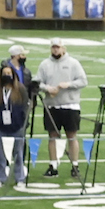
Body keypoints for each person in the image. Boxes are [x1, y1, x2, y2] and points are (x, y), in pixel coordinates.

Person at [36, 40, 87, 178]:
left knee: (72, 136)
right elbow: (37, 82)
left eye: (58, 47)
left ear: (63, 48)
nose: (55, 50)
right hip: (52, 106)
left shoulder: (73, 63)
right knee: (52, 136)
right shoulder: (45, 64)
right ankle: (53, 165)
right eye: (53, 47)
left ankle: (75, 165)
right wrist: (47, 88)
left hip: (70, 105)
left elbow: (83, 81)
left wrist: (68, 84)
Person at [0, 65, 30, 187]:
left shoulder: (20, 89)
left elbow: (25, 106)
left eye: (9, 73)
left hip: (17, 126)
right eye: (5, 73)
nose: (7, 76)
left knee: (18, 153)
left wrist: (23, 123)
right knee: (0, 154)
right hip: (0, 126)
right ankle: (1, 177)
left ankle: (19, 178)